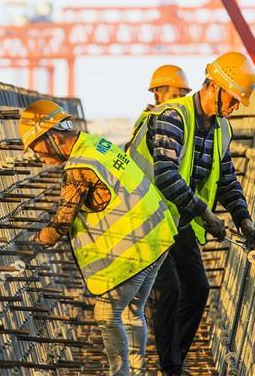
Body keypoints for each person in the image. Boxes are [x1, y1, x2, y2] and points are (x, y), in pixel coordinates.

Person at [19, 99, 177, 376]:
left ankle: (121, 373)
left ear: (52, 136)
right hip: (158, 234)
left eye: (36, 147)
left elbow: (61, 224)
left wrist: (28, 246)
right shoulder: (94, 144)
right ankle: (137, 372)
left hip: (138, 246)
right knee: (132, 312)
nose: (37, 156)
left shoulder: (79, 167)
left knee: (107, 313)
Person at [127, 52, 255, 375]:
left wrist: (243, 217)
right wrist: (205, 214)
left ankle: (174, 361)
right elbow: (166, 175)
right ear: (214, 86)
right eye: (232, 98)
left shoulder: (220, 130)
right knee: (169, 288)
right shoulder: (174, 116)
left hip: (178, 216)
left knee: (198, 288)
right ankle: (170, 368)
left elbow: (226, 178)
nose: (234, 108)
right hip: (147, 215)